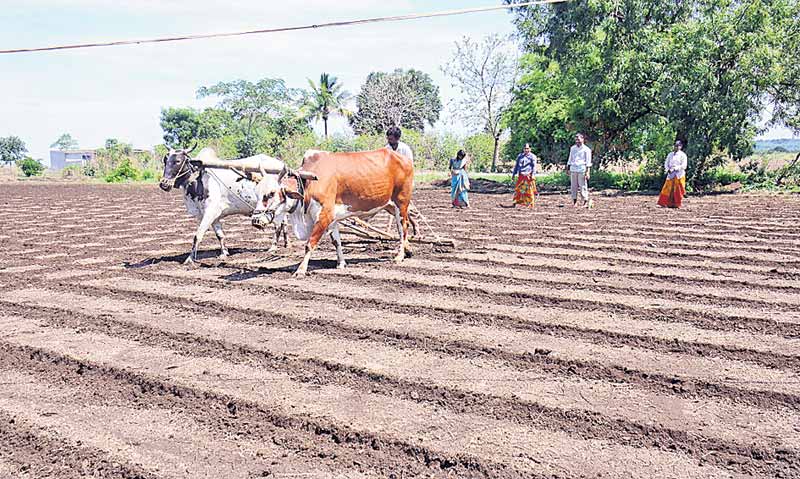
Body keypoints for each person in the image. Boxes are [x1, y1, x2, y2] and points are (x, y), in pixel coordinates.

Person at [658, 140, 688, 208]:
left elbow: (684, 165)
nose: (676, 147)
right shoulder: (670, 154)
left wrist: (675, 168)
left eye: (678, 146)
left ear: (681, 146)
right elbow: (666, 163)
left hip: (679, 174)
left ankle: (677, 204)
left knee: (678, 190)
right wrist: (668, 169)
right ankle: (666, 203)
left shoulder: (683, 155)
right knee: (668, 189)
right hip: (670, 173)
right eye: (675, 146)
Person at [567, 133, 592, 208]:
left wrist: (588, 172)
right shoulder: (573, 148)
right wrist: (568, 168)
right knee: (573, 186)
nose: (577, 141)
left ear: (582, 139)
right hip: (573, 168)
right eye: (576, 139)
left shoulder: (586, 149)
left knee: (582, 186)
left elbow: (588, 162)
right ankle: (574, 202)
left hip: (582, 169)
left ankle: (585, 201)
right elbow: (570, 158)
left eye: (578, 139)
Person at [510, 143, 538, 208]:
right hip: (521, 175)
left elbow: (534, 167)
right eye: (525, 148)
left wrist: (533, 175)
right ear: (523, 149)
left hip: (528, 175)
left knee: (529, 190)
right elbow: (516, 166)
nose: (526, 150)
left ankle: (531, 204)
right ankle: (515, 202)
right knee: (518, 190)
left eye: (527, 148)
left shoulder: (533, 156)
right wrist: (513, 174)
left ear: (530, 149)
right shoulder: (520, 156)